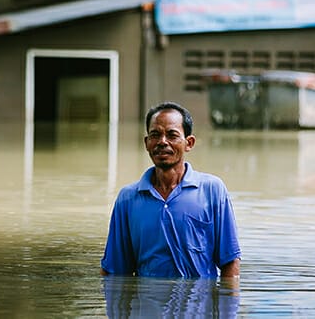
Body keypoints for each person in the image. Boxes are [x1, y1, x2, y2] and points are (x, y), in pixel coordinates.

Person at [101, 102, 241, 280]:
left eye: (172, 135)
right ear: (146, 143)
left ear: (189, 143)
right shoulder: (128, 199)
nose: (162, 142)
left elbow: (230, 263)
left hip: (198, 305)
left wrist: (227, 305)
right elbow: (115, 271)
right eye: (155, 135)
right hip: (146, 305)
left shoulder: (212, 191)